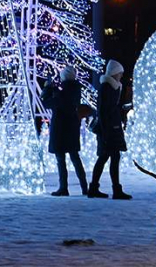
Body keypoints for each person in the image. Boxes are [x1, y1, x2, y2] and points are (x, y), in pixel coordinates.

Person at [88, 59, 132, 200]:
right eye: (119, 73)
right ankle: (113, 190)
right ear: (114, 73)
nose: (121, 76)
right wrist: (106, 132)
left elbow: (110, 109)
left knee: (106, 158)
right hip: (108, 130)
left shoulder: (112, 87)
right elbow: (103, 111)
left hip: (111, 129)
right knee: (109, 157)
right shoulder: (107, 87)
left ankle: (94, 188)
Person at [41, 65, 88, 196]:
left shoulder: (63, 92)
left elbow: (47, 103)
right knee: (75, 158)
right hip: (72, 127)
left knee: (61, 159)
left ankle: (63, 187)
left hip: (60, 129)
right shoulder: (74, 90)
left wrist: (47, 88)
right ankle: (85, 187)